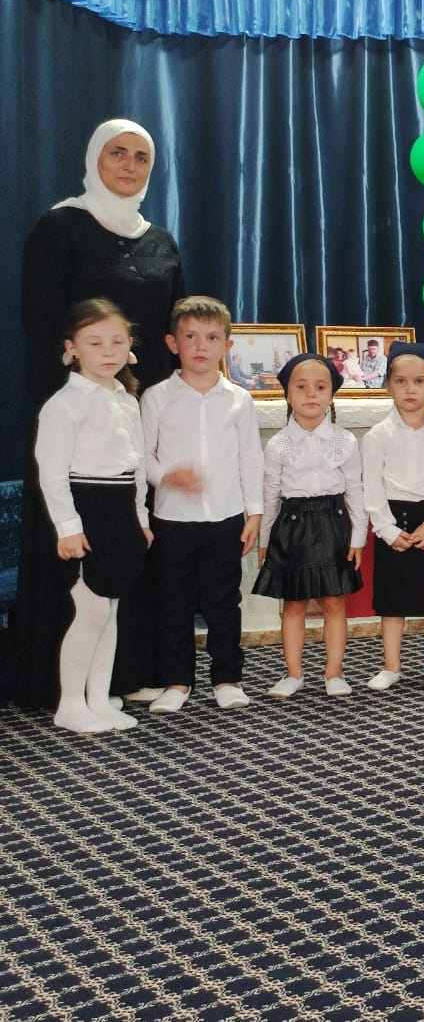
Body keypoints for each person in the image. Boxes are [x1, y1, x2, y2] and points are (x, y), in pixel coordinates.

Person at [12, 119, 185, 709]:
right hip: (79, 423)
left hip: (141, 420)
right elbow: (41, 328)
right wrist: (73, 407)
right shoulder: (59, 228)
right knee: (81, 557)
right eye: (118, 153)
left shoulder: (161, 242)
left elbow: (173, 332)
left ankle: (130, 674)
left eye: (142, 157)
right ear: (94, 158)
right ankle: (64, 690)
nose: (130, 165)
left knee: (135, 549)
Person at [140, 296, 264, 714]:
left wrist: (254, 513)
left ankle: (227, 678)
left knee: (223, 602)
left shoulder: (239, 400)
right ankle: (177, 681)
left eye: (211, 338)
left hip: (225, 518)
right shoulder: (156, 397)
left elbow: (251, 458)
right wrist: (166, 477)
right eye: (190, 337)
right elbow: (142, 457)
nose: (200, 346)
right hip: (172, 519)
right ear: (172, 343)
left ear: (226, 346)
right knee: (173, 602)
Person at [35, 299, 151, 733]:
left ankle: (99, 699)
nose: (107, 351)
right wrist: (68, 528)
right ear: (72, 348)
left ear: (130, 346)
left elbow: (137, 467)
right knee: (91, 612)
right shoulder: (64, 404)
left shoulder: (127, 399)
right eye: (95, 342)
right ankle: (70, 704)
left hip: (121, 510)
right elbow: (51, 472)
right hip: (87, 508)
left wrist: (141, 519)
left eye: (117, 342)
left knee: (110, 610)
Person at [253, 354, 364, 699]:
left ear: (331, 395)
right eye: (301, 387)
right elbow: (270, 495)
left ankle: (334, 673)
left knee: (333, 602)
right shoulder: (278, 444)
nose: (311, 394)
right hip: (293, 527)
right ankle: (293, 673)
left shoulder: (345, 441)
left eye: (320, 387)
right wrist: (264, 541)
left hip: (333, 524)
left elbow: (356, 491)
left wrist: (358, 538)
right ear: (287, 394)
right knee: (294, 604)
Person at [361, 342, 424, 692]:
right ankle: (391, 666)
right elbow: (372, 488)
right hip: (393, 520)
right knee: (393, 602)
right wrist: (387, 529)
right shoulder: (377, 436)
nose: (410, 389)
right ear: (388, 384)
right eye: (401, 381)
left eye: (419, 381)